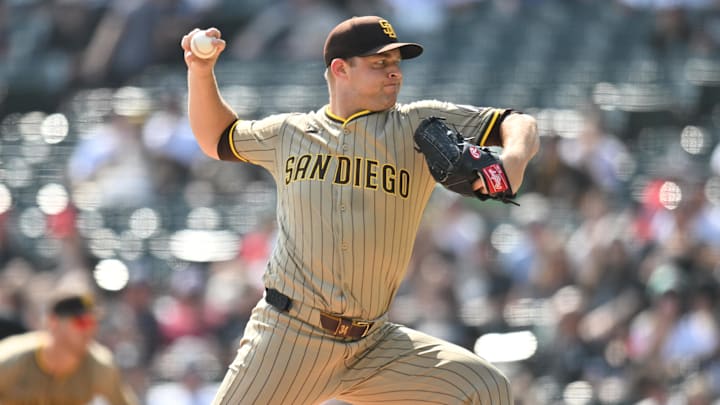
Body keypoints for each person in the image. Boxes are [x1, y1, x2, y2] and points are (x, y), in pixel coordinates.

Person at [180, 14, 539, 404]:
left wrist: (513, 161)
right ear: (340, 69)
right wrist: (200, 72)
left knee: (483, 389)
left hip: (374, 345)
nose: (394, 74)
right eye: (379, 64)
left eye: (396, 64)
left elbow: (516, 121)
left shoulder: (415, 125)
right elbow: (216, 137)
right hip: (289, 335)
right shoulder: (290, 133)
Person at [0, 289, 139, 405]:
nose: (89, 330)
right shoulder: (10, 360)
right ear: (53, 322)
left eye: (93, 323)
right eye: (82, 322)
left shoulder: (100, 366)